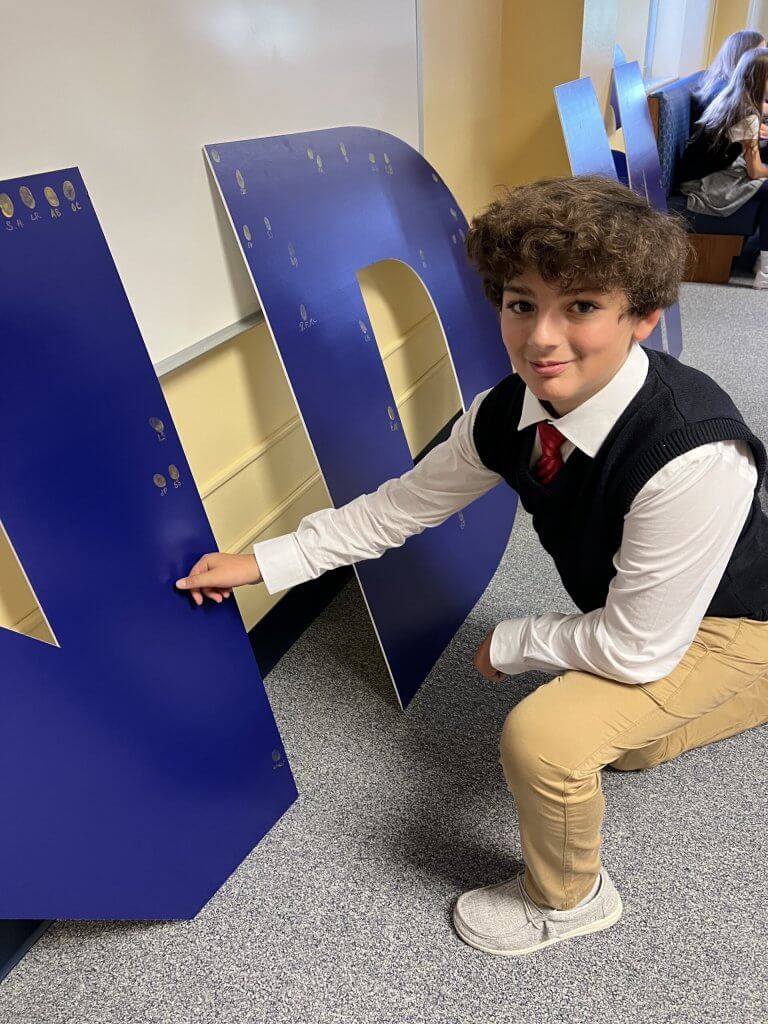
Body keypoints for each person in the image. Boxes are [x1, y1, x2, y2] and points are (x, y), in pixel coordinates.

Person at [176, 175, 768, 957]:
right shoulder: (505, 411)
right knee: (629, 745)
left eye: (581, 307)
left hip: (735, 624)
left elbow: (637, 647)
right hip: (645, 613)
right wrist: (262, 562)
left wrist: (518, 639)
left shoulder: (692, 454)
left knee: (546, 738)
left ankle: (570, 902)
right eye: (522, 304)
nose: (542, 338)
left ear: (643, 317)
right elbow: (400, 507)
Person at [678, 48, 768, 288]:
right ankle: (765, 271)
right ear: (760, 79)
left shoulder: (733, 98)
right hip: (704, 186)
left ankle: (760, 260)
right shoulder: (747, 115)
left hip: (702, 174)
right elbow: (755, 171)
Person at [692, 28, 764, 120]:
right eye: (760, 53)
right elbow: (745, 118)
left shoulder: (728, 82)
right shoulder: (723, 89)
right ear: (743, 57)